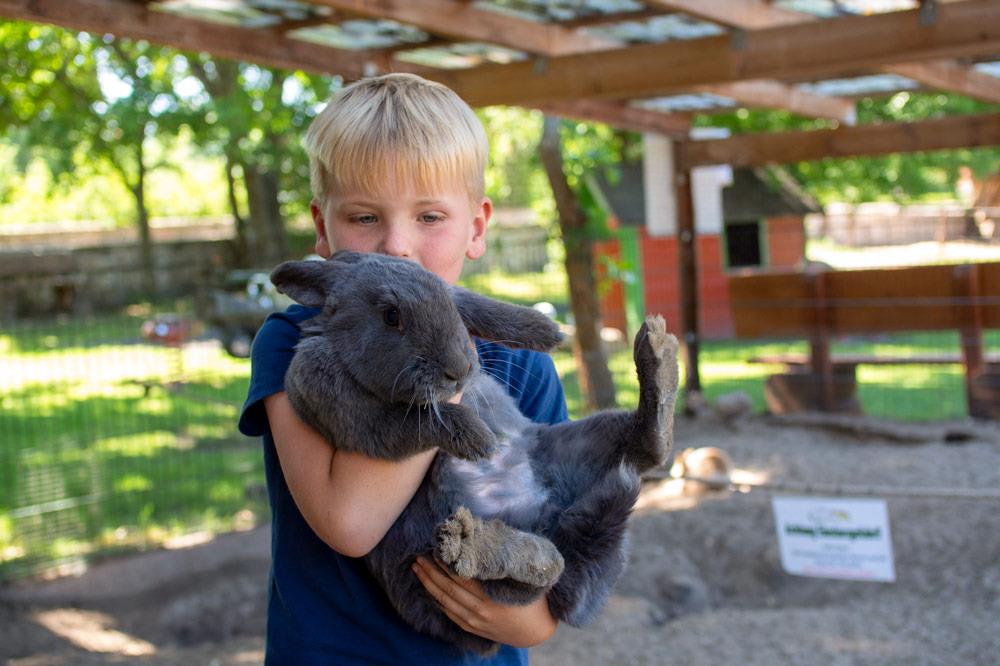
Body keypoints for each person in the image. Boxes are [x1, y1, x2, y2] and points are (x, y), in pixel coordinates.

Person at [238, 72, 569, 664]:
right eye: (365, 218)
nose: (396, 244)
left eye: (430, 217)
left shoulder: (524, 367)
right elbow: (349, 522)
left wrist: (520, 618)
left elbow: (554, 570)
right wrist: (448, 373)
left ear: (476, 227)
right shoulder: (292, 342)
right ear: (323, 228)